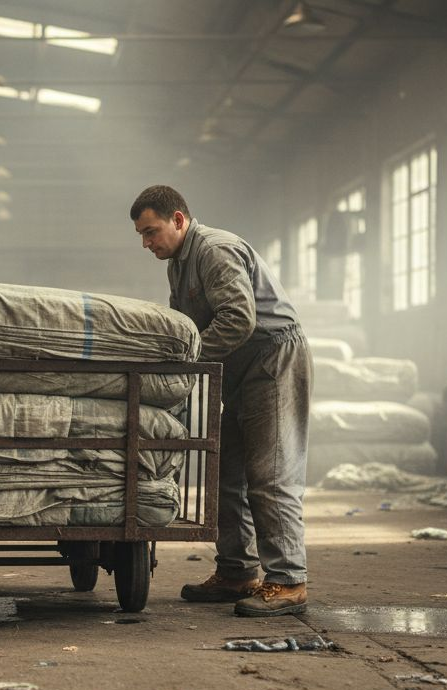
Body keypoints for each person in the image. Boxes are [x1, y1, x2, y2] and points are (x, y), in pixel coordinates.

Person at [129, 185, 312, 617]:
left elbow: (238, 319)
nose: (146, 243)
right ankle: (237, 571)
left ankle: (288, 581)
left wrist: (184, 362)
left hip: (271, 357)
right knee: (227, 473)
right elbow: (185, 328)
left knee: (269, 470)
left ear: (179, 220)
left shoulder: (215, 250)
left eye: (152, 231)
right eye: (140, 235)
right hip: (238, 364)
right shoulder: (178, 264)